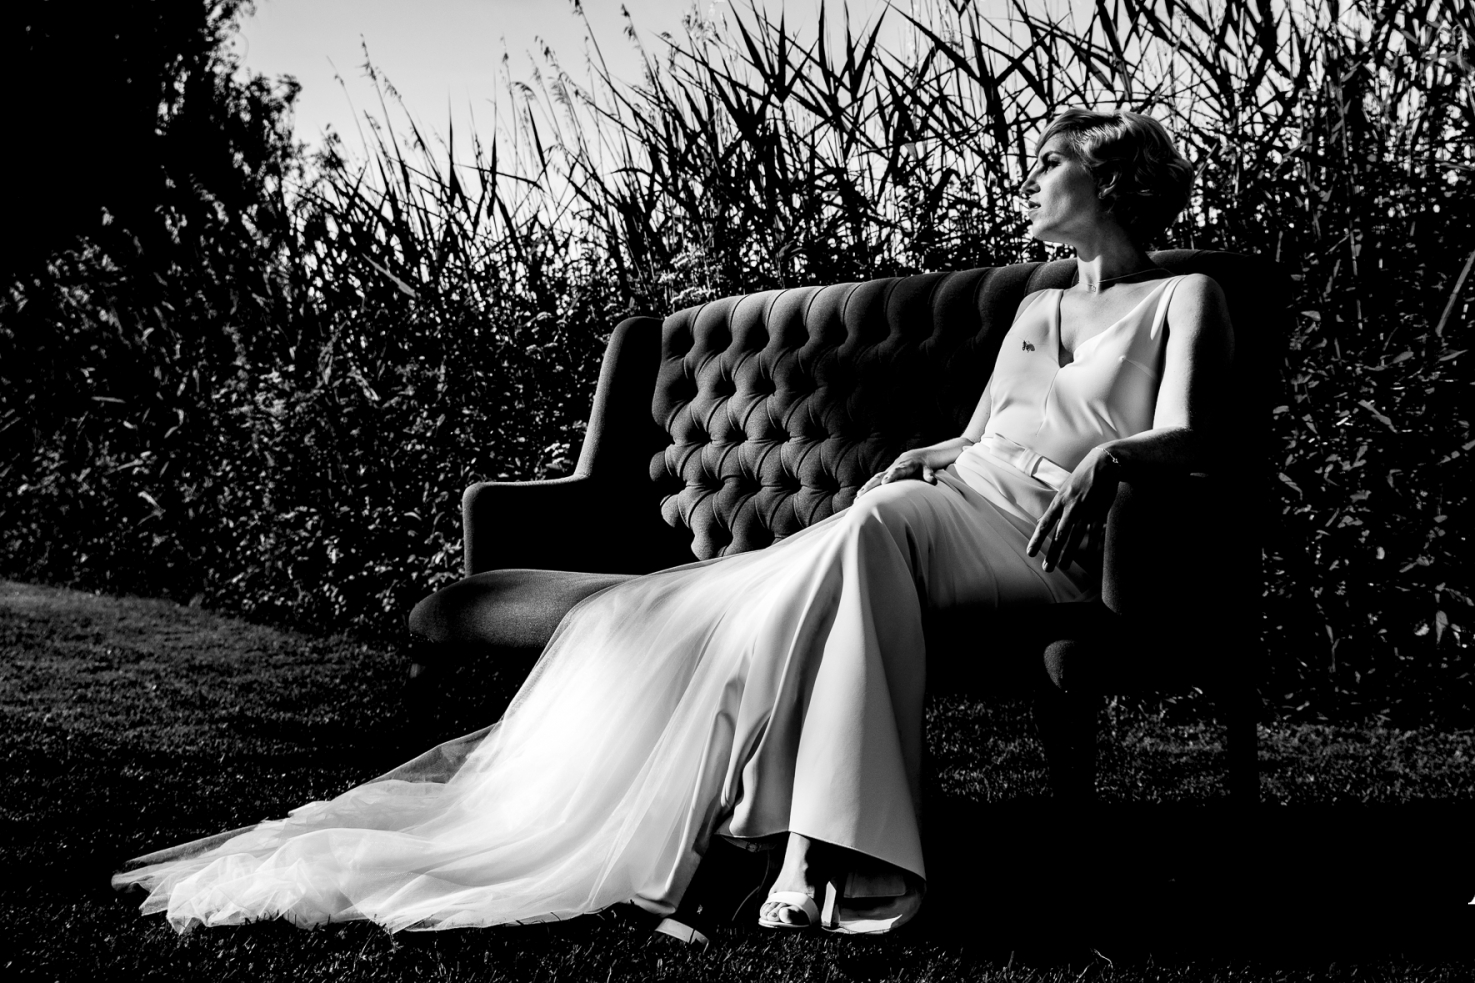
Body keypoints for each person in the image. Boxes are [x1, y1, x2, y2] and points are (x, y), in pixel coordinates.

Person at [112, 108, 1232, 939]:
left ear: (1114, 182)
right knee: (850, 540)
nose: (1034, 179)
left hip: (1050, 525)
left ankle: (809, 844)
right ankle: (817, 851)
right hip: (951, 497)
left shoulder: (1184, 297)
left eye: (1057, 164)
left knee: (856, 540)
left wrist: (1113, 459)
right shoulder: (1037, 304)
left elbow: (1192, 435)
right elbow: (984, 426)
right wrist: (926, 453)